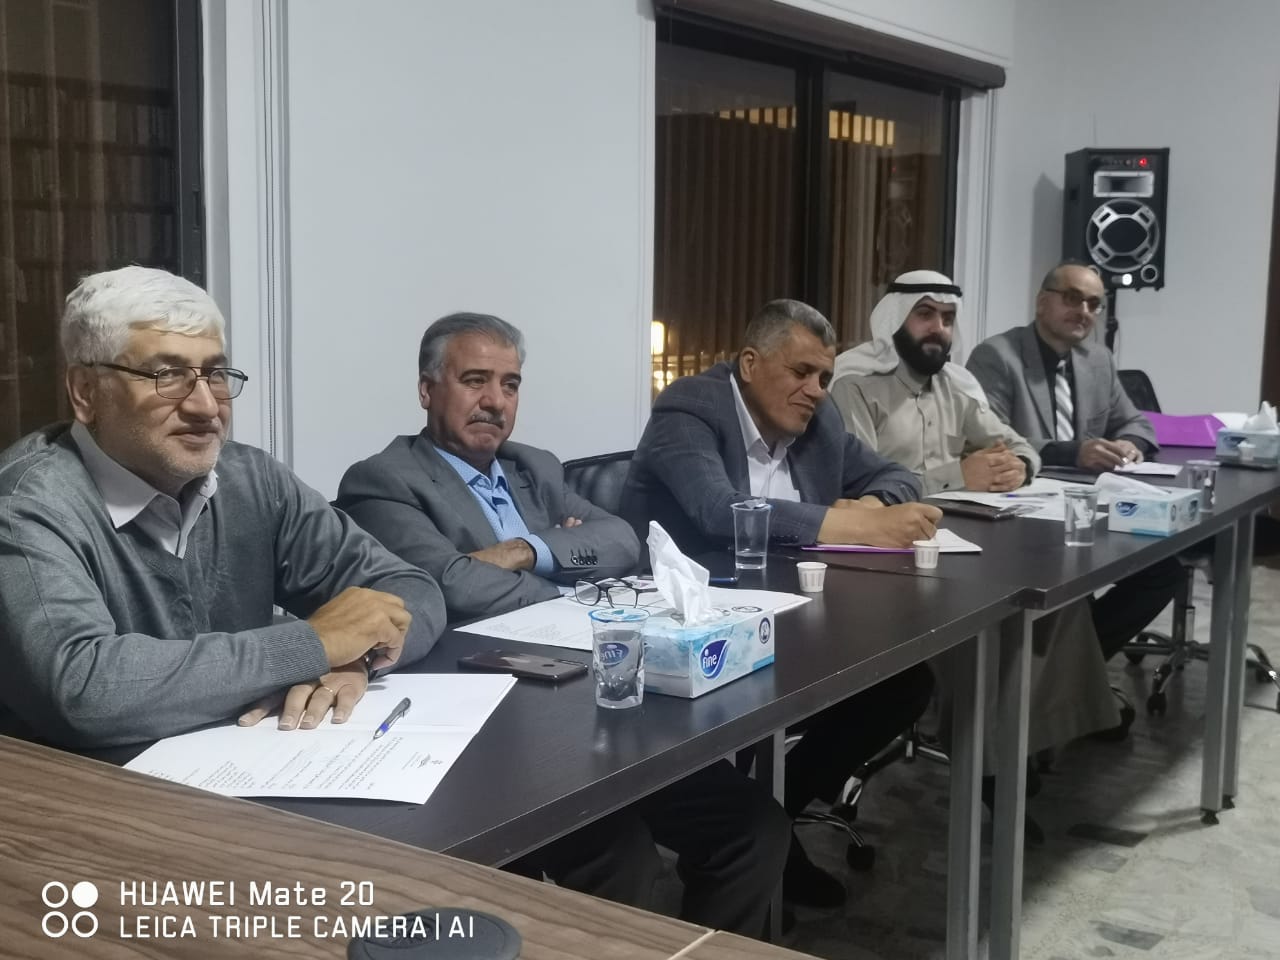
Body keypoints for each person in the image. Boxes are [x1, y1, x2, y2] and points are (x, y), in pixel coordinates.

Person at [336, 312, 789, 937]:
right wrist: (569, 570)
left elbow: (622, 540)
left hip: (597, 695)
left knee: (756, 828)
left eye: (510, 384)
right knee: (624, 859)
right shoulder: (385, 480)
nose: (495, 401)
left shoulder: (534, 466)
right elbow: (452, 585)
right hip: (497, 727)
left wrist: (525, 550)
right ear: (427, 389)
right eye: (474, 380)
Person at [0, 267, 446, 750]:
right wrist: (313, 645)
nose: (206, 407)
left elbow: (412, 589)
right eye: (167, 375)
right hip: (88, 788)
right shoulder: (24, 506)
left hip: (252, 766)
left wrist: (355, 659)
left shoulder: (252, 479)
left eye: (215, 375)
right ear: (87, 392)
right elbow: (85, 689)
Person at [622, 298, 938, 907]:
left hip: (790, 614)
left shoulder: (819, 422)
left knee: (903, 685)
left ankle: (777, 819)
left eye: (824, 376)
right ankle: (751, 847)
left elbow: (899, 477)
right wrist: (859, 527)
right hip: (686, 627)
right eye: (801, 372)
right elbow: (718, 512)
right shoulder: (690, 407)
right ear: (749, 364)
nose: (816, 389)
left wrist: (871, 505)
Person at [828, 271, 1122, 781]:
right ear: (895, 318)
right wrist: (957, 475)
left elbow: (1018, 444)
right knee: (987, 613)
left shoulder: (956, 385)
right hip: (888, 551)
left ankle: (1031, 742)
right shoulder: (855, 384)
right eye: (925, 315)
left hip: (964, 538)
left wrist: (1018, 468)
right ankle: (987, 767)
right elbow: (860, 487)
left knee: (1054, 599)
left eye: (947, 318)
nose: (938, 329)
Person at [967, 261, 1180, 663]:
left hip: (1088, 505)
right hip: (1024, 511)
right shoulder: (997, 356)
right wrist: (1073, 452)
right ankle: (1064, 675)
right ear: (1041, 302)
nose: (1083, 311)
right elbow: (988, 439)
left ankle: (1073, 669)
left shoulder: (1098, 359)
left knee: (1161, 571)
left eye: (1093, 304)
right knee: (1069, 580)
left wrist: (1130, 443)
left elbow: (1137, 422)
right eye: (1072, 298)